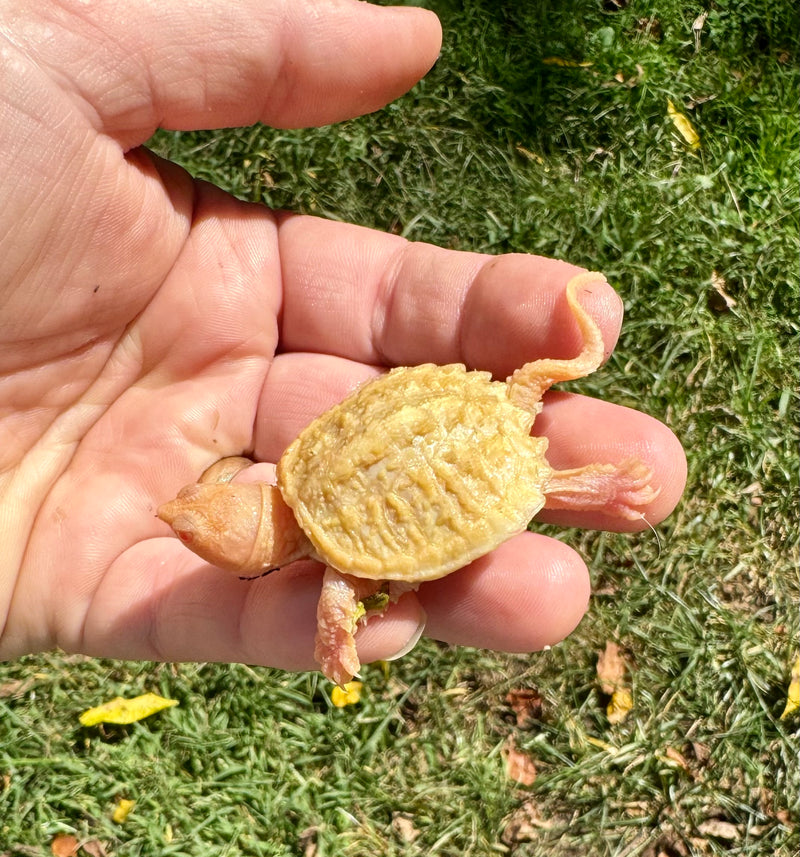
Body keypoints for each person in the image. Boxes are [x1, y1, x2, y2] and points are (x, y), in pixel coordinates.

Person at [0, 0, 685, 674]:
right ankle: (592, 465)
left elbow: (335, 595)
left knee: (531, 481)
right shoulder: (294, 474)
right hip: (438, 440)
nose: (189, 513)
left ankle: (590, 479)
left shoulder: (328, 565)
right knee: (527, 468)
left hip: (454, 465)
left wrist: (337, 635)